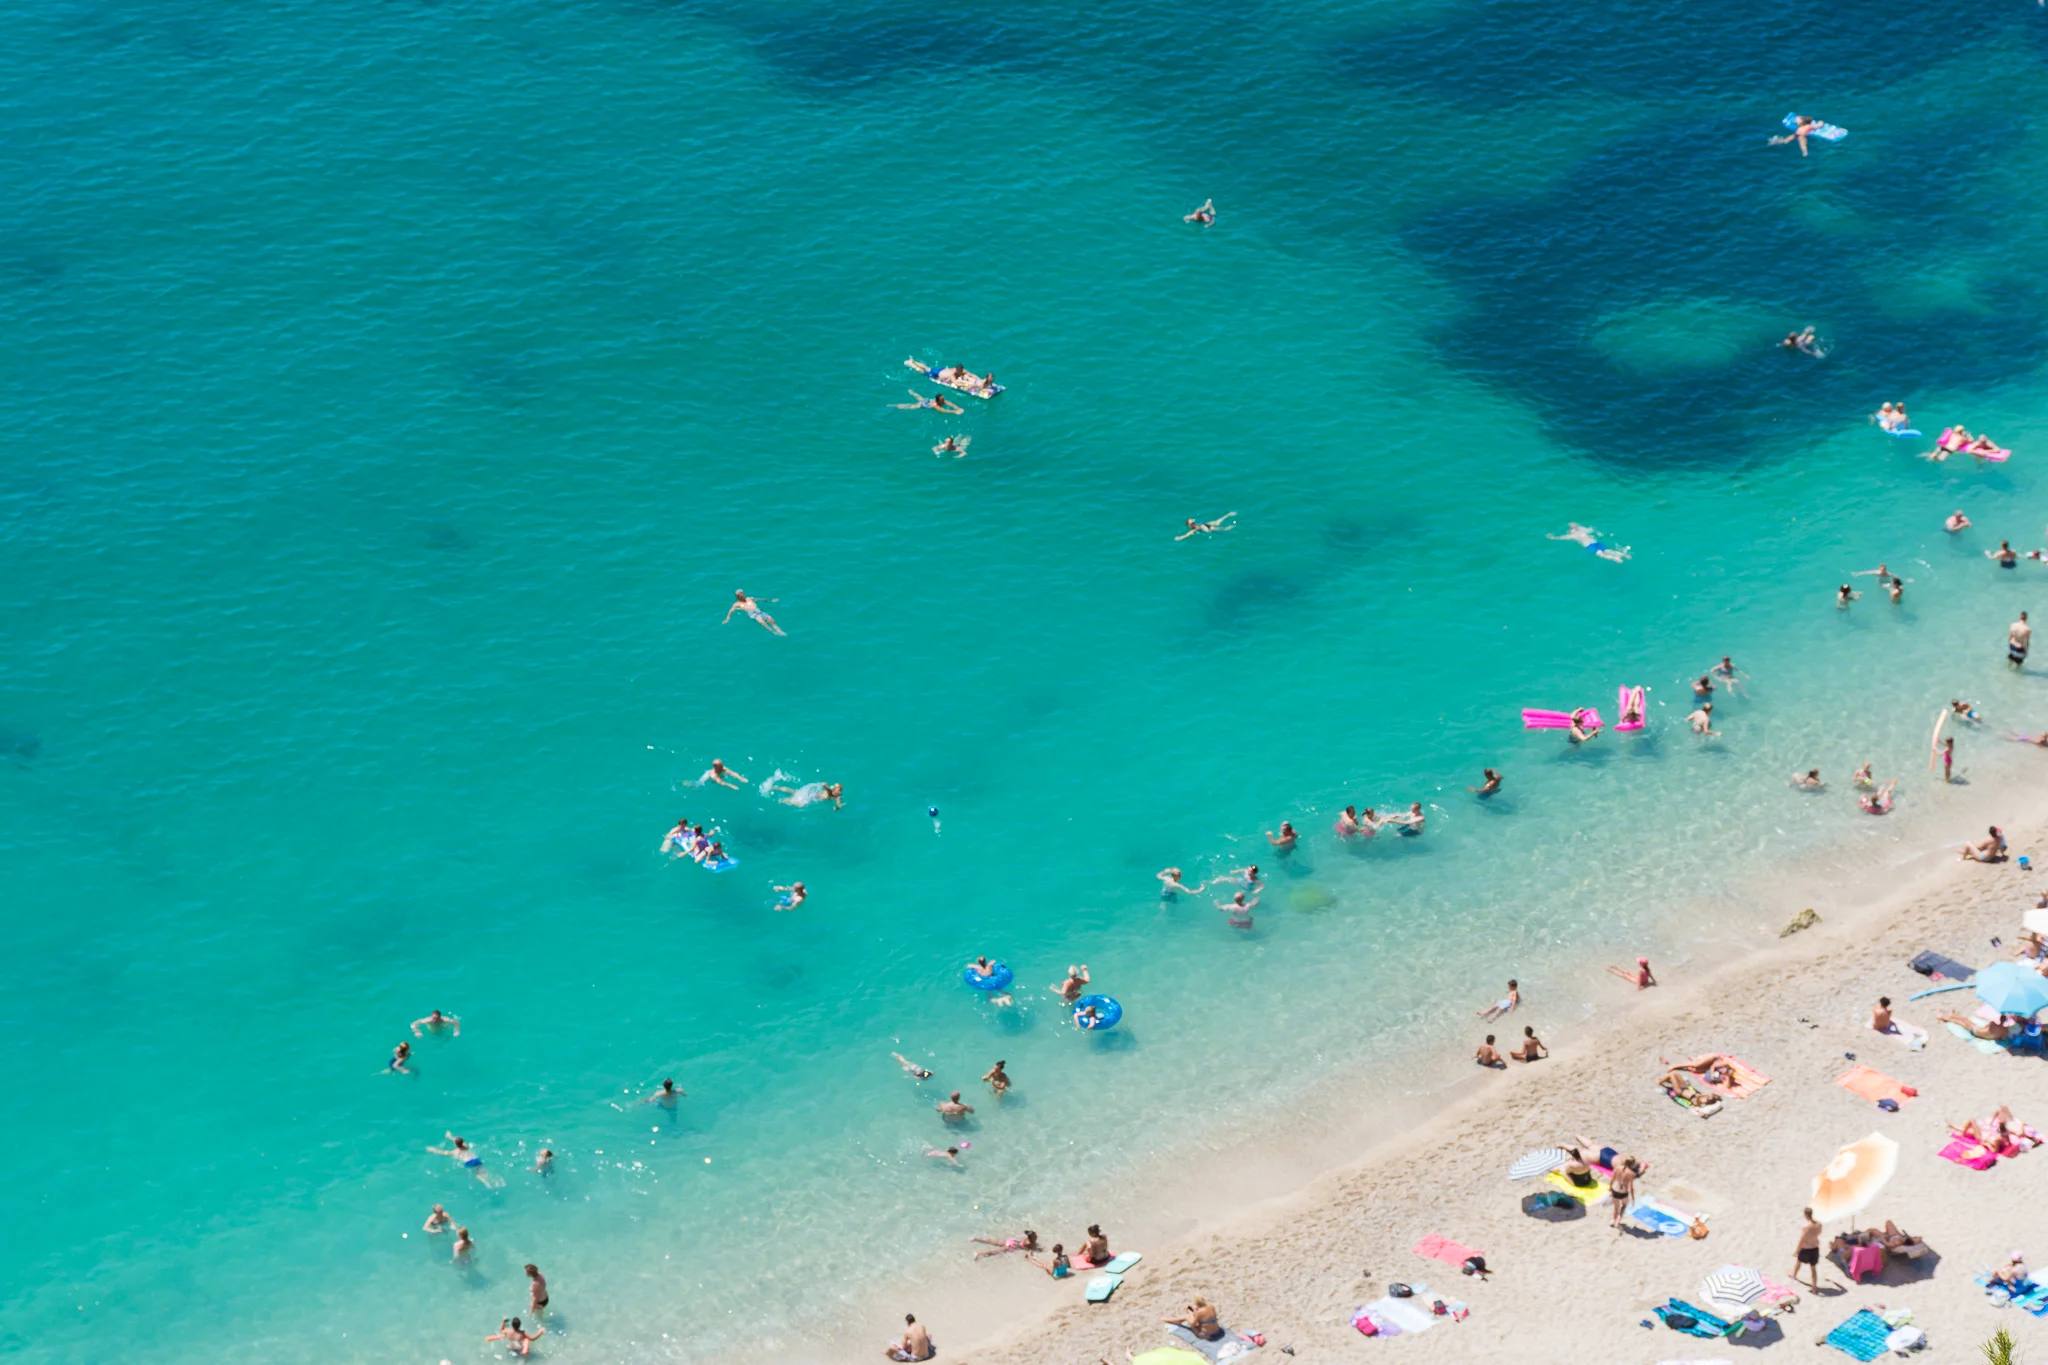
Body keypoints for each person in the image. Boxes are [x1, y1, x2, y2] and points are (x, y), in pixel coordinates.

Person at [1792, 1208, 1823, 1290]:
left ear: (1805, 1215)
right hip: (1815, 1248)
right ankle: (1814, 1286)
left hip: (1806, 1249)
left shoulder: (1806, 1227)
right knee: (1813, 1268)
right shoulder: (1819, 1224)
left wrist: (1796, 1251)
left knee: (1798, 1262)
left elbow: (1802, 1241)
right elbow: (1819, 1233)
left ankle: (1794, 1276)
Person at [1937, 1008, 2010, 1042]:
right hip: (1982, 1033)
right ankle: (1951, 1016)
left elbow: (1987, 1027)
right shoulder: (2004, 1030)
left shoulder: (1994, 1025)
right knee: (1964, 1021)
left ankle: (1944, 1018)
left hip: (1975, 1031)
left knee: (1963, 1021)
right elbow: (2003, 1038)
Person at [1608, 1157, 1639, 1228]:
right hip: (1623, 1192)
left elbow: (1612, 1179)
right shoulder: (1631, 1173)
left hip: (1615, 1189)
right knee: (1624, 1206)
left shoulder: (1618, 1168)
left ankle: (1615, 1221)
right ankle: (1617, 1221)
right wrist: (1633, 1198)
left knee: (1616, 1208)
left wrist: (1610, 1188)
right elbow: (1631, 1188)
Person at [973, 1229, 1039, 1259]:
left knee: (992, 1241)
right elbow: (1030, 1250)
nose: (1036, 1237)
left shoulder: (1027, 1239)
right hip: (1010, 1246)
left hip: (1011, 1241)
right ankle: (979, 1254)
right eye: (1035, 1236)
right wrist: (1032, 1254)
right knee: (994, 1252)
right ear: (1032, 1238)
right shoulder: (1029, 1243)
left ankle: (976, 1239)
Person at [895, 389, 964, 414]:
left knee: (920, 398)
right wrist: (954, 412)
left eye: (943, 398)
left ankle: (911, 392)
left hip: (926, 401)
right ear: (938, 401)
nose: (944, 400)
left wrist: (957, 408)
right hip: (924, 405)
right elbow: (943, 411)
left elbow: (951, 404)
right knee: (910, 406)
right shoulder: (936, 406)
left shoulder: (943, 401)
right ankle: (896, 406)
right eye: (942, 399)